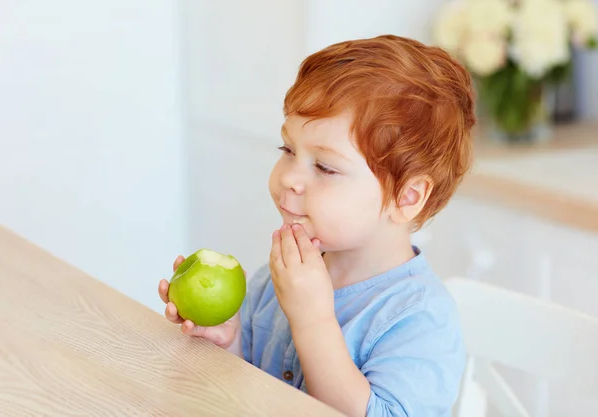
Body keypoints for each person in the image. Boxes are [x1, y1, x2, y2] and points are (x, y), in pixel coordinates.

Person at [158, 34, 476, 416]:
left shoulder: (420, 318)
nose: (290, 177)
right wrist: (228, 341)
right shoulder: (277, 280)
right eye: (288, 150)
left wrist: (313, 321)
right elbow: (251, 394)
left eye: (324, 167)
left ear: (406, 197)